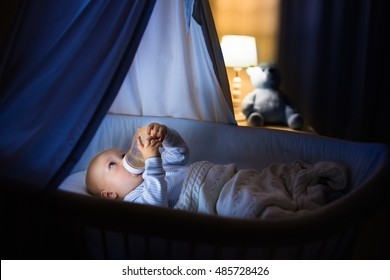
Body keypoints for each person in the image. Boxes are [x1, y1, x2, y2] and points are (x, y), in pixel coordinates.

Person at [86, 122, 189, 207]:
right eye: (112, 164)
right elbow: (156, 205)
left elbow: (180, 155)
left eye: (123, 155)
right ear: (109, 194)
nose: (124, 160)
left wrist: (166, 135)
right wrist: (152, 160)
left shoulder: (157, 165)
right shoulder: (134, 201)